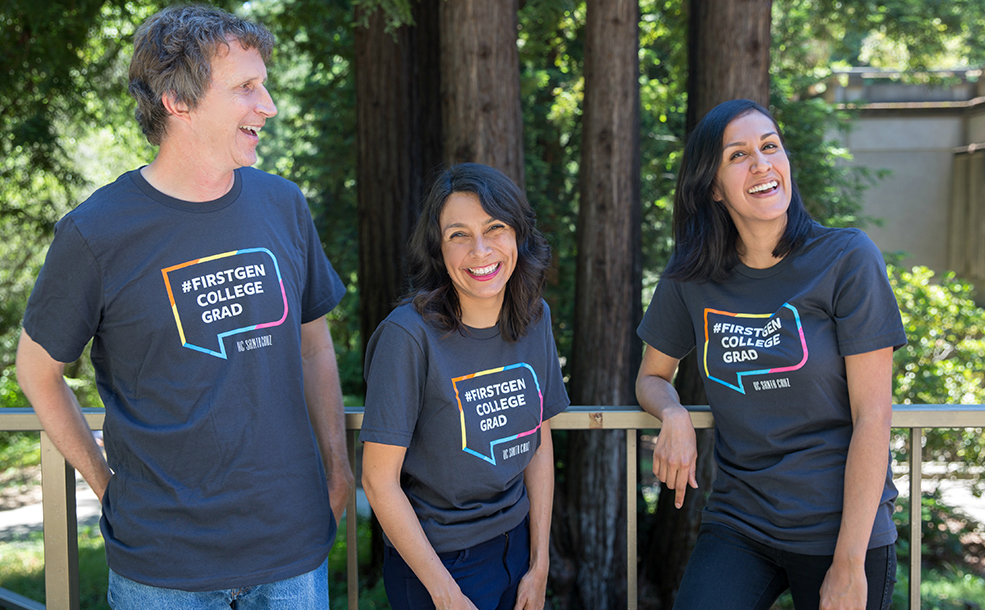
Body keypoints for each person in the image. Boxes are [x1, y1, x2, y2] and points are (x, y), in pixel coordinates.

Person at [15, 5, 353, 608]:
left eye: (263, 83)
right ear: (177, 99)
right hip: (162, 567)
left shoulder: (283, 205)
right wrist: (105, 485)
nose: (268, 105)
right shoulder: (96, 233)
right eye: (246, 87)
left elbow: (314, 343)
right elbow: (37, 374)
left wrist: (337, 468)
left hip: (291, 550)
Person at [635, 99, 905, 610]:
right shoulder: (692, 275)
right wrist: (671, 412)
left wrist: (848, 564)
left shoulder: (847, 259)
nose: (761, 163)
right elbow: (651, 375)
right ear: (713, 187)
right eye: (738, 155)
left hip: (840, 526)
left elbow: (874, 417)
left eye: (770, 146)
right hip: (742, 520)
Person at [360, 163, 569, 610]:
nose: (480, 250)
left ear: (518, 236)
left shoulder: (535, 318)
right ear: (438, 248)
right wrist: (446, 594)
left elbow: (539, 442)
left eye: (495, 228)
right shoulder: (407, 336)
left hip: (515, 546)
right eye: (458, 235)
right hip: (438, 562)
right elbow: (379, 482)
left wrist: (539, 563)